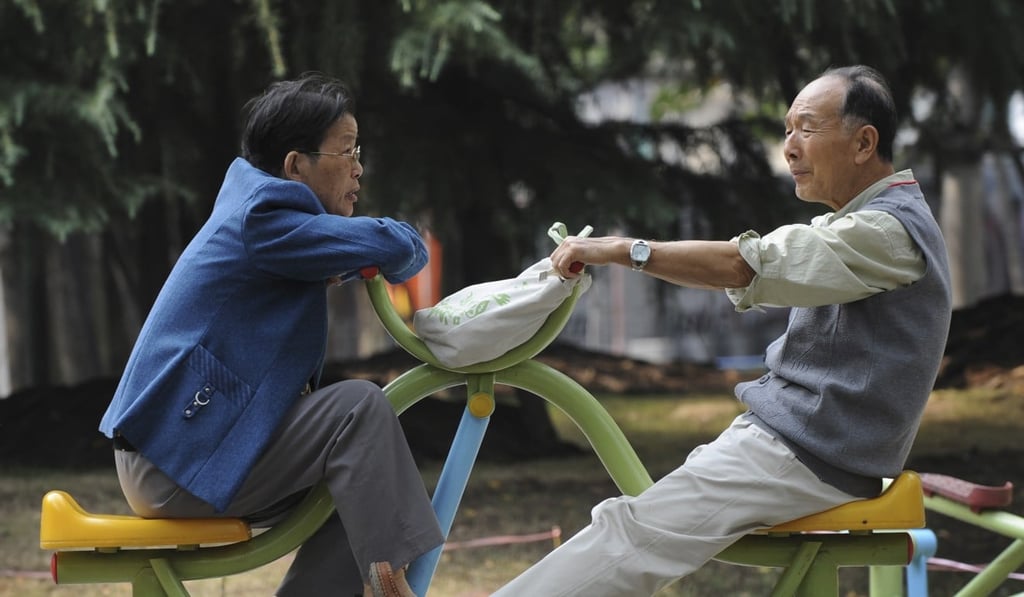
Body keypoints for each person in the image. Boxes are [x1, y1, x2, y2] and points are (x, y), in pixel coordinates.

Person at [492, 65, 952, 596]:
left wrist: (625, 251)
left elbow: (746, 265)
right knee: (633, 525)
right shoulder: (862, 220)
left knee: (628, 534)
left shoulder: (887, 231)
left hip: (807, 456)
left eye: (807, 128)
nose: (790, 148)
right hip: (795, 444)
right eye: (786, 130)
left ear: (863, 142)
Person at [99, 73, 443, 597]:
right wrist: (378, 247)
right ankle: (391, 585)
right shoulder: (265, 216)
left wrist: (354, 258)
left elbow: (390, 254)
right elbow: (399, 245)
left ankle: (379, 575)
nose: (359, 168)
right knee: (359, 407)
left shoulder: (268, 220)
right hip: (174, 462)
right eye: (346, 152)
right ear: (294, 165)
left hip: (183, 449)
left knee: (353, 484)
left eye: (359, 151)